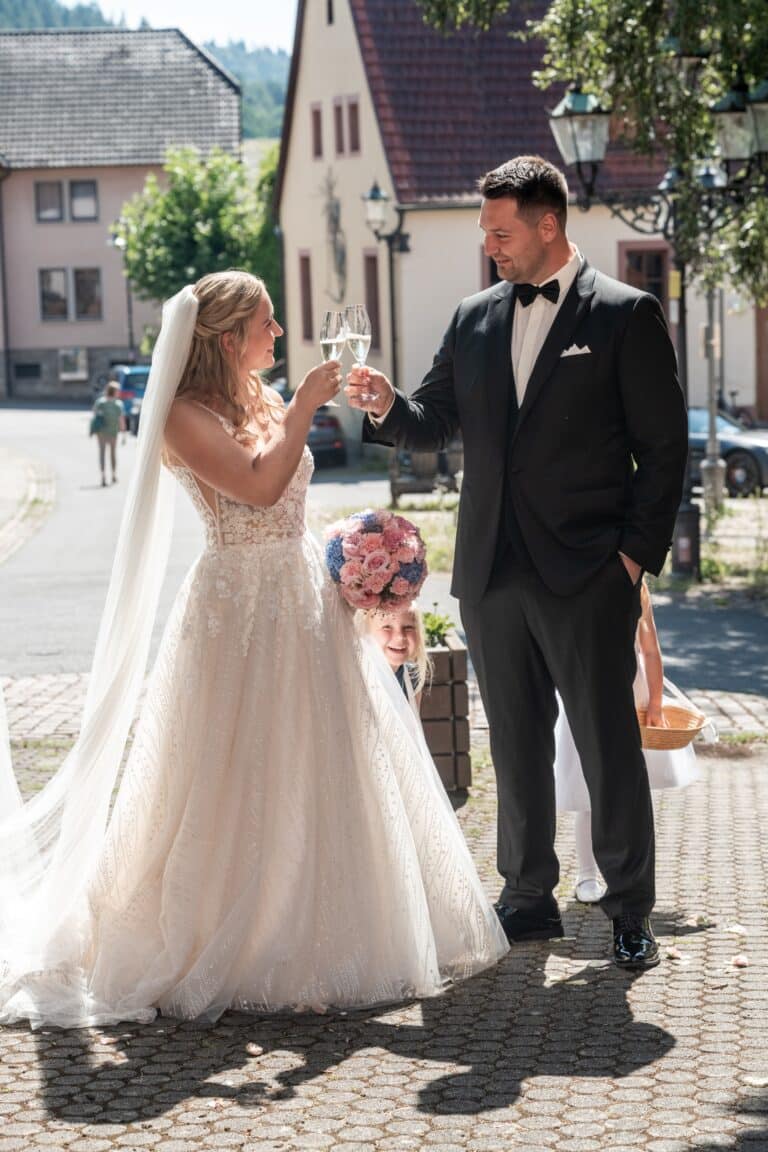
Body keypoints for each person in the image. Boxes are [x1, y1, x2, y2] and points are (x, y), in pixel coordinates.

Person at [0, 270, 507, 1029]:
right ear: (230, 336)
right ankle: (235, 936)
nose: (278, 335)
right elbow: (259, 488)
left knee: (321, 757)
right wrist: (306, 403)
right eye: (267, 323)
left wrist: (355, 556)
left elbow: (294, 501)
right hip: (235, 606)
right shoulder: (182, 415)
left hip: (304, 595)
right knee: (232, 765)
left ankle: (330, 920)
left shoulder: (257, 398)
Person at [348, 155, 689, 970]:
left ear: (548, 224)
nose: (490, 245)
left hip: (589, 574)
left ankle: (629, 906)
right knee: (514, 742)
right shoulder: (472, 319)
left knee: (608, 745)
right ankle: (527, 895)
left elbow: (664, 451)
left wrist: (633, 563)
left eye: (502, 232)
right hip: (493, 569)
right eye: (484, 232)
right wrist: (388, 405)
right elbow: (432, 419)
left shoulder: (626, 315)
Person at [555, 581, 700, 905]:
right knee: (589, 793)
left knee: (630, 791)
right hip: (587, 696)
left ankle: (630, 874)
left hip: (633, 697)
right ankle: (587, 874)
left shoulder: (636, 592)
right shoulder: (575, 586)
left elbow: (650, 651)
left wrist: (657, 704)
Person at [358, 603, 431, 714]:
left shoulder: (412, 675)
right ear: (367, 631)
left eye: (408, 627)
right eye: (387, 627)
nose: (400, 637)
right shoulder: (361, 677)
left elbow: (413, 727)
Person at [91, 380, 126, 486]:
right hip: (113, 431)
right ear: (114, 392)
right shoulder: (118, 404)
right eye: (118, 391)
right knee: (112, 454)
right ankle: (114, 475)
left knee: (102, 453)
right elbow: (121, 420)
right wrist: (124, 433)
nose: (119, 392)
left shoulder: (100, 402)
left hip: (101, 432)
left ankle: (103, 476)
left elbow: (95, 414)